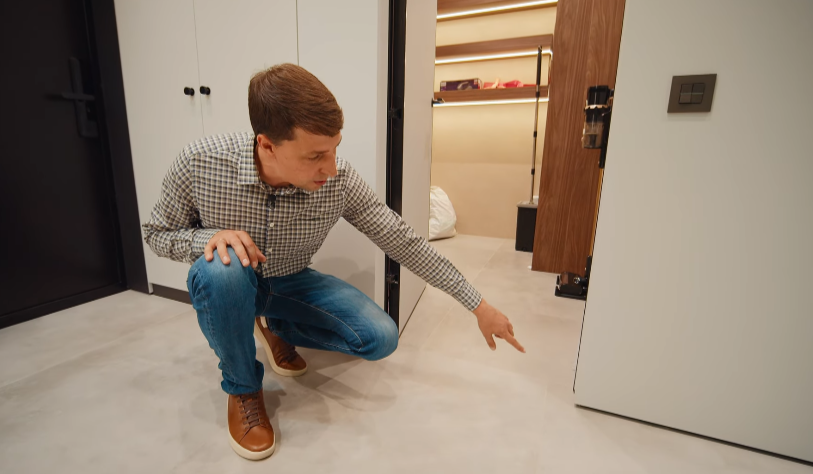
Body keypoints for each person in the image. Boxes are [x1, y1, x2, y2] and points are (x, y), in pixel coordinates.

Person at [142, 63, 525, 461]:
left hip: (291, 281)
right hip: (232, 281)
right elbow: (156, 233)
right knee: (222, 270)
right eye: (316, 156)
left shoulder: (339, 182)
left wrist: (478, 305)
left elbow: (402, 240)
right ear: (268, 146)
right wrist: (208, 238)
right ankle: (243, 388)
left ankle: (274, 325)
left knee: (380, 337)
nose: (332, 167)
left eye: (335, 149)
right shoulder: (199, 162)